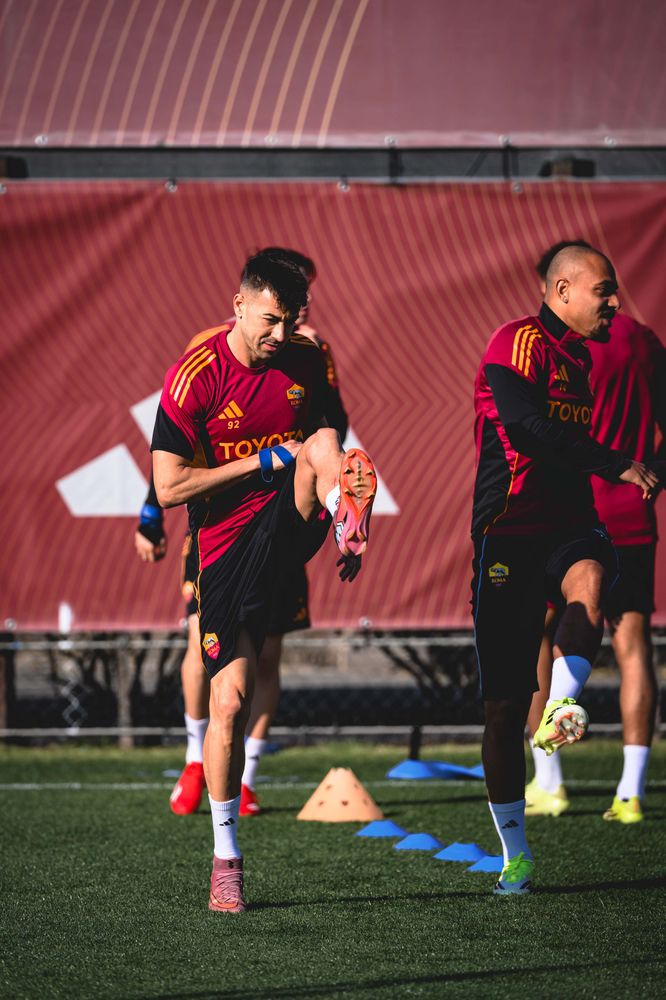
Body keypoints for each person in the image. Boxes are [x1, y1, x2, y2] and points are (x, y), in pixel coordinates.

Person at [151, 251, 376, 912]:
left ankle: (344, 514)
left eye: (293, 319)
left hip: (290, 518)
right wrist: (258, 461)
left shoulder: (305, 360)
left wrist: (336, 495)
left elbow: (328, 434)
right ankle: (226, 860)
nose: (281, 334)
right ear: (241, 304)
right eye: (272, 320)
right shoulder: (196, 376)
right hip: (223, 547)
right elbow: (169, 486)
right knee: (231, 700)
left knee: (322, 446)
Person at [471, 244, 658, 894]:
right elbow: (524, 431)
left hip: (566, 522)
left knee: (591, 580)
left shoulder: (579, 359)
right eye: (603, 291)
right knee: (499, 711)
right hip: (508, 531)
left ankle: (561, 707)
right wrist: (617, 462)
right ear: (561, 290)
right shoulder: (515, 343)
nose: (614, 302)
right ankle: (515, 853)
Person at [525, 241, 666, 823]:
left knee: (539, 637)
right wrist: (650, 475)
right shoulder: (642, 341)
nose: (605, 300)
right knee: (633, 647)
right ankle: (630, 793)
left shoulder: (549, 350)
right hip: (631, 510)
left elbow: (527, 436)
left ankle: (549, 780)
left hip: (563, 516)